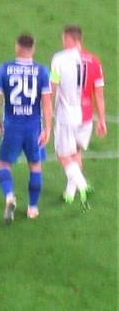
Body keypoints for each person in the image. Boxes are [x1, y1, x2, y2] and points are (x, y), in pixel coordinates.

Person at [0, 34, 52, 223]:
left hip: (12, 126)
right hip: (33, 127)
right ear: (33, 49)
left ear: (17, 48)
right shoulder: (42, 71)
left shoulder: (5, 68)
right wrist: (48, 128)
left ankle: (9, 196)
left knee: (4, 164)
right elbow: (47, 104)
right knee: (35, 166)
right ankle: (32, 208)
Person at [50, 25, 107, 208]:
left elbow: (52, 87)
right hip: (87, 116)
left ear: (70, 40)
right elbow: (99, 94)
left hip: (67, 115)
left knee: (63, 155)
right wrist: (102, 120)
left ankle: (82, 185)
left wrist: (47, 111)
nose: (62, 42)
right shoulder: (95, 61)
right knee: (75, 153)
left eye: (63, 39)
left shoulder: (58, 59)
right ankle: (69, 193)